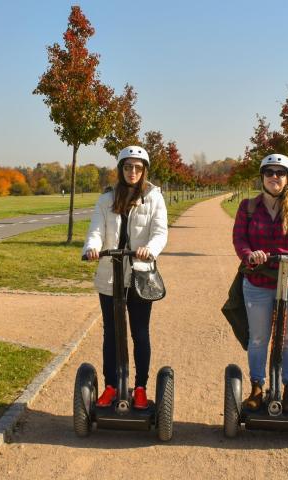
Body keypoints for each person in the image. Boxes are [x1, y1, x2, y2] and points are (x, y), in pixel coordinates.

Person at [231, 153, 288, 413]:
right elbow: (239, 240)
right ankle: (257, 387)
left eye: (280, 173)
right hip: (257, 282)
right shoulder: (247, 207)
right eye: (269, 172)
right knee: (258, 338)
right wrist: (250, 255)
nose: (274, 177)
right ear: (262, 177)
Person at [82, 146, 168, 410]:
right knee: (111, 333)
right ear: (120, 169)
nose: (132, 172)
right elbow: (96, 230)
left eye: (138, 168)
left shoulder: (154, 197)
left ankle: (140, 387)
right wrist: (91, 247)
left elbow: (160, 232)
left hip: (140, 276)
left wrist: (149, 251)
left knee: (140, 333)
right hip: (110, 275)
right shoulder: (106, 198)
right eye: (128, 167)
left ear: (144, 171)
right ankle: (110, 386)